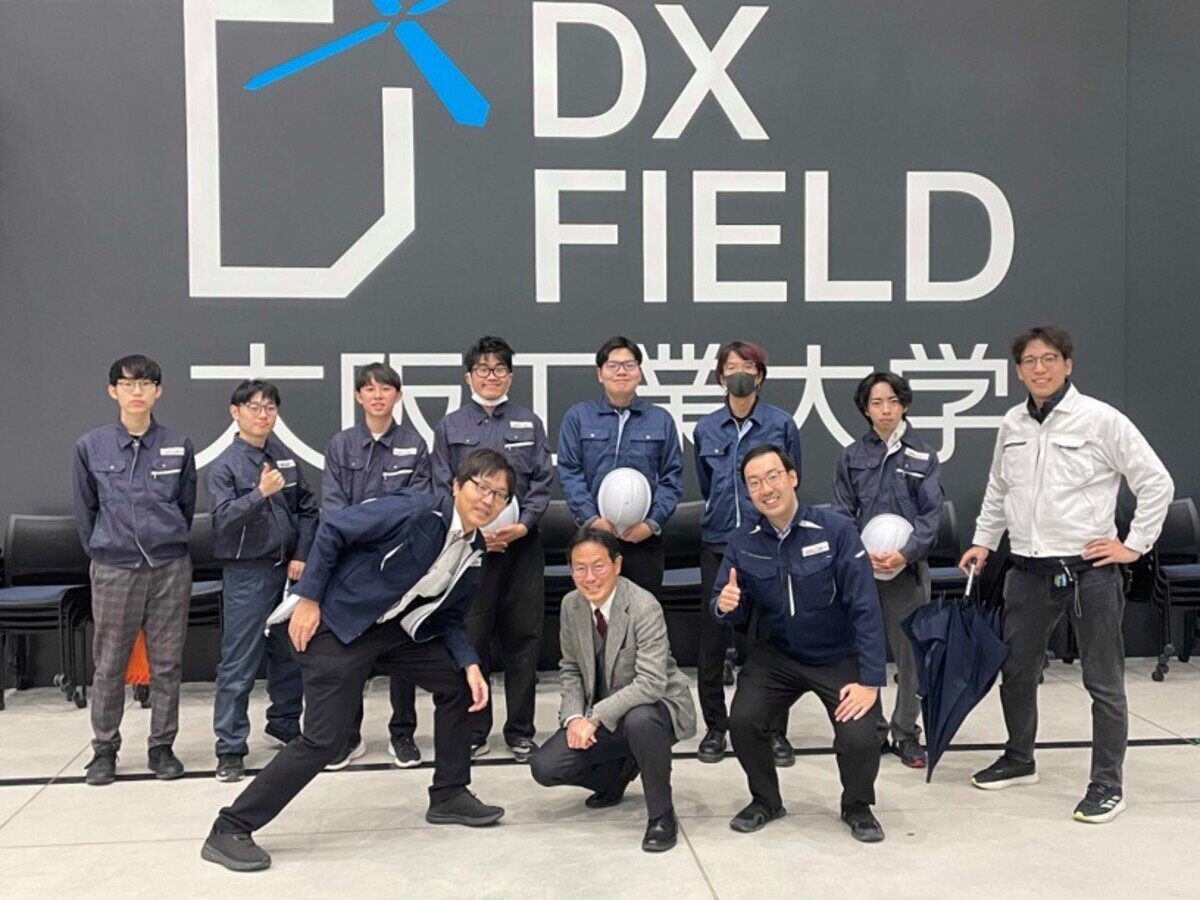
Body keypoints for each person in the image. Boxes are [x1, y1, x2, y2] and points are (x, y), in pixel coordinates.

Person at [201, 450, 516, 872]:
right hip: (336, 626)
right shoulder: (415, 508)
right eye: (481, 486)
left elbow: (450, 617)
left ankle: (449, 794)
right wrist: (309, 598)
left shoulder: (474, 548)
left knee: (459, 682)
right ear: (457, 485)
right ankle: (230, 827)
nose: (488, 499)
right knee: (324, 740)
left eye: (499, 494)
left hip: (390, 633)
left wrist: (469, 663)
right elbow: (334, 528)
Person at [958, 326, 1173, 824]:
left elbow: (1155, 481)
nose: (1040, 368)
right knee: (1016, 673)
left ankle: (1107, 784)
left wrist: (1134, 545)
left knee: (1103, 682)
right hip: (1026, 571)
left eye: (1049, 358)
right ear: (1018, 371)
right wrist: (984, 541)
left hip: (1088, 573)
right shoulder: (1012, 423)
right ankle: (1019, 757)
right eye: (1029, 361)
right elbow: (998, 489)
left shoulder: (1101, 419)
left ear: (1068, 365)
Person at [712, 445, 888, 843]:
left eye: (773, 476)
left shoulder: (836, 531)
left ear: (792, 478)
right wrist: (725, 605)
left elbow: (866, 607)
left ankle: (857, 805)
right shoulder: (743, 541)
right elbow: (726, 605)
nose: (766, 488)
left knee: (861, 734)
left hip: (837, 656)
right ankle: (766, 800)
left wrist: (870, 680)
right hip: (778, 655)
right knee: (742, 720)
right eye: (754, 482)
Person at [529, 527, 697, 852]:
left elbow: (651, 683)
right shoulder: (571, 605)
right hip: (605, 714)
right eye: (580, 568)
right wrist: (574, 718)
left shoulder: (643, 605)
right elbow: (571, 668)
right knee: (545, 767)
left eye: (598, 566)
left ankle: (662, 815)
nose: (590, 577)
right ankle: (618, 774)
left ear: (617, 565)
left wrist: (594, 717)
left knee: (641, 721)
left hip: (657, 707)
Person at [72, 355, 196, 785]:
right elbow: (85, 510)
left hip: (169, 566)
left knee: (167, 663)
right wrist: (105, 550)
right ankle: (104, 750)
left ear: (158, 391)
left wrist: (168, 540)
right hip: (114, 567)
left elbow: (185, 505)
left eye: (145, 384)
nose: (137, 392)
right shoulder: (91, 446)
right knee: (109, 663)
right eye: (127, 384)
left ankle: (162, 747)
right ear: (113, 391)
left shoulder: (179, 444)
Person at [432, 336, 553, 762]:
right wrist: (474, 532)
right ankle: (474, 728)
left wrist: (523, 525)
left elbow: (542, 482)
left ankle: (520, 731)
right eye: (482, 369)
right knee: (472, 637)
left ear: (510, 376)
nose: (491, 376)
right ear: (469, 377)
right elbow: (441, 485)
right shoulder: (450, 427)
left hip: (522, 547)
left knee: (524, 639)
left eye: (499, 369)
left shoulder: (528, 423)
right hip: (471, 550)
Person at [692, 340, 802, 768]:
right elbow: (706, 484)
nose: (739, 373)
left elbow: (791, 481)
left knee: (771, 639)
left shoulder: (781, 423)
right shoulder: (705, 429)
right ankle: (716, 727)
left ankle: (772, 730)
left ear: (760, 375)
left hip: (768, 543)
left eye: (748, 366)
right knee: (712, 640)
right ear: (720, 375)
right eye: (731, 366)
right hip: (719, 543)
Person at [207, 380, 318, 783]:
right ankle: (230, 747)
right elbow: (221, 520)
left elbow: (308, 509)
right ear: (235, 413)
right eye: (253, 407)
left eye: (269, 407)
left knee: (290, 652)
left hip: (288, 570)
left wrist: (302, 554)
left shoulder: (283, 457)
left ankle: (285, 723)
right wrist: (259, 494)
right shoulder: (225, 466)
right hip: (247, 573)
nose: (262, 414)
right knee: (240, 660)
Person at [323, 362, 431, 770]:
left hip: (399, 564)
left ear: (397, 396)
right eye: (369, 389)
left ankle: (402, 733)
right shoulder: (341, 445)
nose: (378, 395)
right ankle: (348, 736)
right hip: (352, 565)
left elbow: (417, 506)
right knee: (351, 654)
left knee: (401, 650)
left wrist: (379, 529)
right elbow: (334, 507)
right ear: (358, 397)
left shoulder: (414, 445)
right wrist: (367, 531)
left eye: (386, 389)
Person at [832, 371, 942, 769]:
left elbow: (930, 517)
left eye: (893, 401)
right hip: (863, 572)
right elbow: (842, 512)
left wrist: (905, 554)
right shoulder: (851, 456)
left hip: (906, 572)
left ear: (904, 404)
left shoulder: (924, 456)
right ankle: (873, 728)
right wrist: (857, 556)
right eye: (876, 403)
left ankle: (906, 732)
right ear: (865, 409)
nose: (885, 410)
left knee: (912, 655)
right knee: (864, 651)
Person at [557, 336, 683, 597]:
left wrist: (651, 524)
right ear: (600, 373)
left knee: (643, 611)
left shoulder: (660, 420)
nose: (621, 372)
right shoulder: (578, 417)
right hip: (592, 537)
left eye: (629, 365)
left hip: (643, 540)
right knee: (593, 610)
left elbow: (672, 477)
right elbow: (569, 472)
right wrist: (592, 520)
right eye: (613, 365)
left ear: (640, 372)